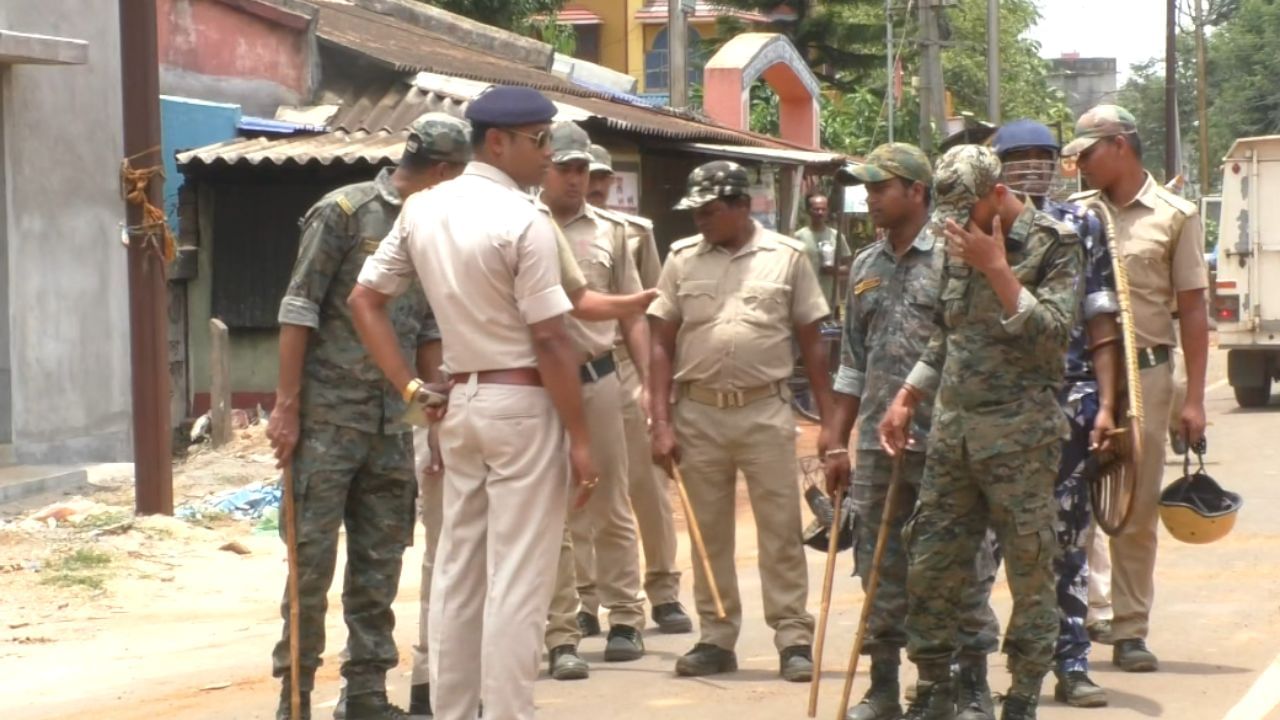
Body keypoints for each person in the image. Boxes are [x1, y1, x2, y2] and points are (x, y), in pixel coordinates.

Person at [348, 85, 599, 720]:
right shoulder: (525, 220)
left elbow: (365, 301)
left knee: (459, 573)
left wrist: (409, 386)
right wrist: (580, 436)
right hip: (521, 404)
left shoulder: (423, 208)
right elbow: (549, 336)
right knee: (518, 579)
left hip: (455, 403)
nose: (549, 154)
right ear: (498, 142)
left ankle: (454, 710)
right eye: (539, 140)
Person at [265, 112, 470, 720]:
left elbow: (428, 323)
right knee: (310, 562)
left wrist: (432, 398)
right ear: (440, 170)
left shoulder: (434, 225)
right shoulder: (345, 213)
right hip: (329, 422)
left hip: (394, 424)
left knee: (380, 561)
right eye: (459, 175)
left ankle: (366, 694)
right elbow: (299, 307)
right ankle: (295, 696)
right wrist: (286, 407)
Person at [879, 145, 1084, 720]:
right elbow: (949, 334)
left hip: (1020, 440)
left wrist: (997, 267)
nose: (957, 225)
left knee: (1030, 569)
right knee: (932, 564)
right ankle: (933, 688)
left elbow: (1053, 337)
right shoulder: (956, 241)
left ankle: (1021, 696)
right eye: (950, 215)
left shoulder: (1054, 244)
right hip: (954, 434)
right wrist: (908, 394)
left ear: (998, 194)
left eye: (966, 210)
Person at [824, 143, 1002, 720]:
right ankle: (882, 686)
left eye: (882, 187)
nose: (871, 197)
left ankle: (968, 683)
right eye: (868, 187)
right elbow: (851, 362)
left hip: (949, 440)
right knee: (879, 565)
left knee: (961, 565)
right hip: (880, 443)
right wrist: (836, 442)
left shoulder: (954, 257)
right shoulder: (865, 266)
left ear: (917, 192)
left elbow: (974, 345)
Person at [649, 160, 833, 682]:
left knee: (779, 531)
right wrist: (659, 420)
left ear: (740, 206)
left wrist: (830, 425)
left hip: (764, 411)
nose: (700, 221)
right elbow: (660, 344)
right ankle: (716, 637)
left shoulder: (788, 257)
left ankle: (793, 637)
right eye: (695, 212)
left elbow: (813, 345)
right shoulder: (681, 259)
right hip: (698, 413)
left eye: (709, 212)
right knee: (709, 533)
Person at [1062, 104, 1210, 673]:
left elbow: (1193, 311)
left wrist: (1192, 398)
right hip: (1079, 375)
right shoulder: (1073, 216)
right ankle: (1070, 621)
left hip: (1146, 373)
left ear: (1120, 146)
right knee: (1071, 499)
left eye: (1088, 151)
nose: (1078, 163)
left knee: (1136, 506)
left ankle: (1129, 629)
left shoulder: (1175, 215)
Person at [993, 119, 1124, 708]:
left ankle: (1071, 662)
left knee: (1068, 542)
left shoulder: (1081, 224)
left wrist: (1109, 405)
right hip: (996, 405)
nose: (1031, 168)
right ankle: (984, 668)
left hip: (1070, 400)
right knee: (988, 546)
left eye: (1042, 157)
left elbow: (1101, 318)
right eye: (1017, 158)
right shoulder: (978, 225)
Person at [537, 121, 649, 677]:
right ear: (545, 169)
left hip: (598, 378)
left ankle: (626, 615)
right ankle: (565, 628)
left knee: (610, 500)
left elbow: (631, 313)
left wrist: (649, 381)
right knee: (551, 513)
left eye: (584, 170)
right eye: (567, 169)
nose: (578, 180)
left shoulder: (612, 232)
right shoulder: (521, 226)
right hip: (536, 388)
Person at [582, 142, 691, 636]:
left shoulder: (633, 232)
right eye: (589, 174)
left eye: (603, 176)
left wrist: (653, 385)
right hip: (575, 366)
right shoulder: (542, 228)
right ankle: (586, 598)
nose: (597, 184)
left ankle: (664, 590)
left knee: (646, 483)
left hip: (627, 363)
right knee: (584, 488)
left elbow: (652, 308)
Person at [796, 191, 852, 308]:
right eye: (816, 209)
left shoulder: (837, 236)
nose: (820, 213)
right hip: (805, 301)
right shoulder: (798, 237)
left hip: (830, 301)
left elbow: (848, 267)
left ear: (828, 211)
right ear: (808, 211)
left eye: (823, 209)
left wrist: (833, 270)